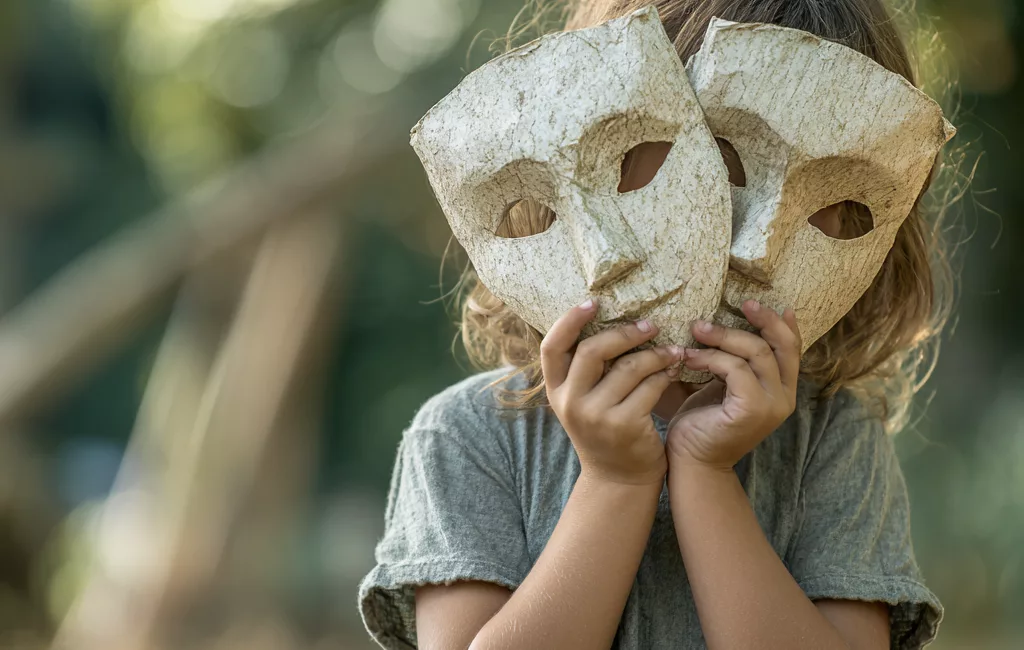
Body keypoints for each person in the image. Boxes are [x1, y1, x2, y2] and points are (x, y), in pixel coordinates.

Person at [358, 0, 954, 648]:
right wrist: (616, 483)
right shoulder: (468, 439)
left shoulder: (832, 441)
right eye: (722, 164)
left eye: (834, 198)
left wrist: (705, 479)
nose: (756, 246)